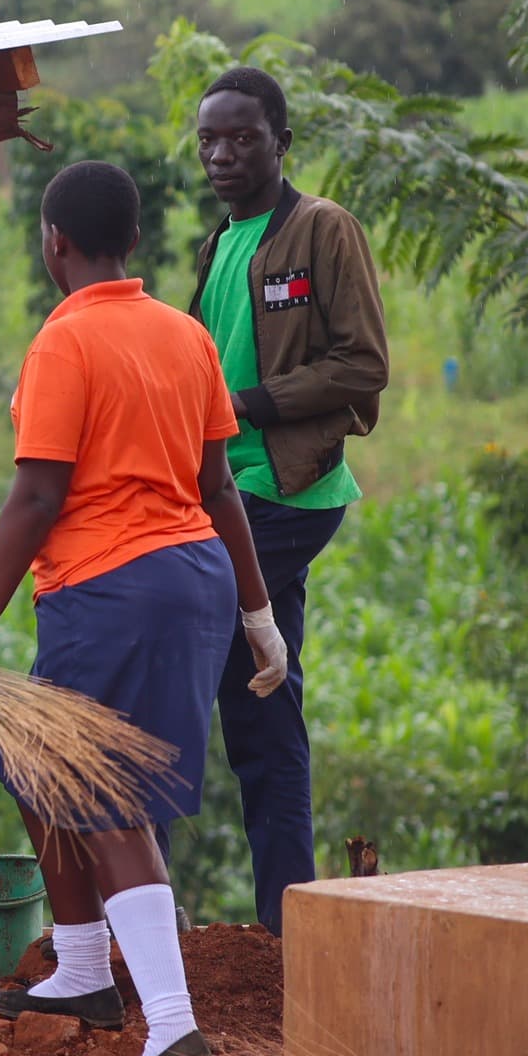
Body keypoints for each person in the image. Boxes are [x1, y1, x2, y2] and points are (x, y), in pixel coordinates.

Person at [0, 161, 287, 1056]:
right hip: (193, 579)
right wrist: (258, 615)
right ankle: (83, 969)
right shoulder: (184, 334)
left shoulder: (66, 341)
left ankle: (170, 1022)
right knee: (36, 765)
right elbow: (218, 489)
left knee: (99, 789)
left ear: (53, 242)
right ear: (131, 238)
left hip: (114, 584)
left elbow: (39, 494)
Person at [189, 66, 389, 935]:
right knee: (266, 703)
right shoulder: (218, 242)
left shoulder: (321, 228)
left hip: (285, 494)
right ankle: (288, 921)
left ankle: (272, 918)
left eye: (241, 138)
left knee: (217, 668)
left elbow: (363, 365)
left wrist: (246, 406)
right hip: (230, 490)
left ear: (282, 141)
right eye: (209, 141)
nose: (223, 155)